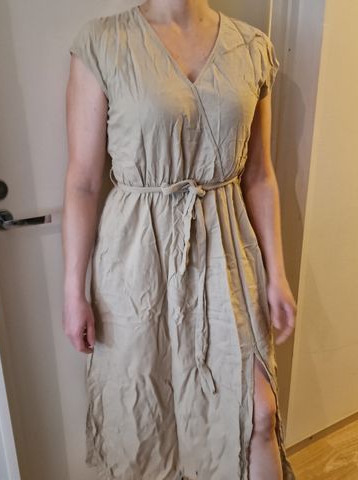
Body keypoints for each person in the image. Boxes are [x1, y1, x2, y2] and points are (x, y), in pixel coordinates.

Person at [62, 1, 297, 478]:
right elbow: (83, 182)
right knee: (145, 421)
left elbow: (259, 176)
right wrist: (73, 289)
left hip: (226, 251)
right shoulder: (103, 43)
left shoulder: (251, 47)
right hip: (135, 258)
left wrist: (277, 274)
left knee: (257, 413)